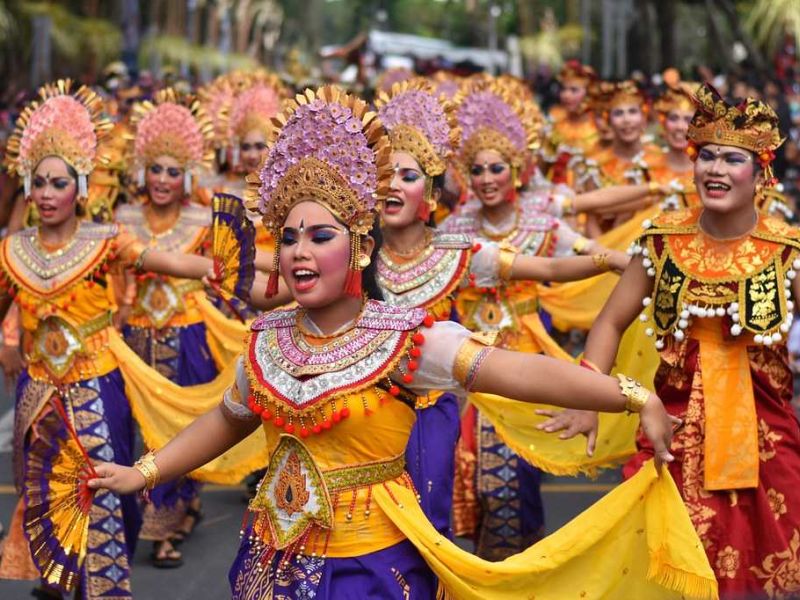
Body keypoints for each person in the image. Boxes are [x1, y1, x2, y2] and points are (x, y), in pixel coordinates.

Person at [86, 86, 716, 600]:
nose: (302, 252)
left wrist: (633, 396)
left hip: (372, 571)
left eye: (321, 236)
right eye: (292, 237)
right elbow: (226, 420)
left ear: (360, 247)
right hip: (271, 564)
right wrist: (143, 471)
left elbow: (519, 372)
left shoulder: (404, 341)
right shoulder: (269, 339)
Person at [551, 83, 800, 598]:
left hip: (765, 439)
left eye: (733, 159)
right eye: (706, 155)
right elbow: (610, 322)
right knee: (665, 570)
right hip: (673, 431)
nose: (715, 169)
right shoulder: (662, 241)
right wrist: (588, 394)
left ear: (760, 175)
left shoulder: (786, 251)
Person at [0, 80, 226, 599]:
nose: (49, 193)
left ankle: (105, 585)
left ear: (80, 187)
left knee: (106, 492)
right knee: (44, 488)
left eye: (59, 183)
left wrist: (239, 268)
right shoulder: (12, 250)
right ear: (28, 189)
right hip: (39, 392)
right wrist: (8, 339)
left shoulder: (105, 241)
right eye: (39, 182)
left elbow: (167, 261)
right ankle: (59, 574)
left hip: (98, 385)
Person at [117, 88, 245, 568]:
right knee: (138, 432)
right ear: (142, 171)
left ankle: (166, 530)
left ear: (187, 172)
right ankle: (151, 514)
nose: (164, 180)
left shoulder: (203, 218)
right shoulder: (124, 219)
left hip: (188, 336)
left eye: (174, 171)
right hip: (135, 338)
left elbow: (229, 273)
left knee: (179, 429)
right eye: (156, 169)